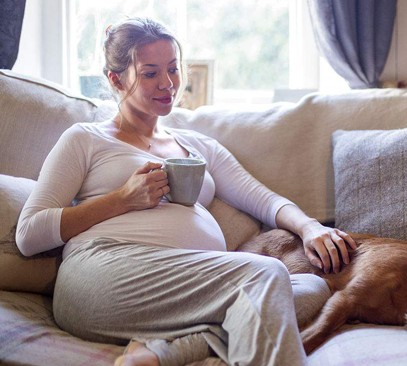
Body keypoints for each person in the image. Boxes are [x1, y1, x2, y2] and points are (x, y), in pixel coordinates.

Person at [16, 17, 356, 366]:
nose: (168, 84)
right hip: (103, 274)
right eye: (150, 73)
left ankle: (162, 352)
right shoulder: (86, 138)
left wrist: (310, 227)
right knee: (267, 275)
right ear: (116, 79)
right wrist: (122, 200)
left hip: (186, 288)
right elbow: (29, 233)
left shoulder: (197, 146)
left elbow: (263, 199)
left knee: (310, 288)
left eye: (173, 69)